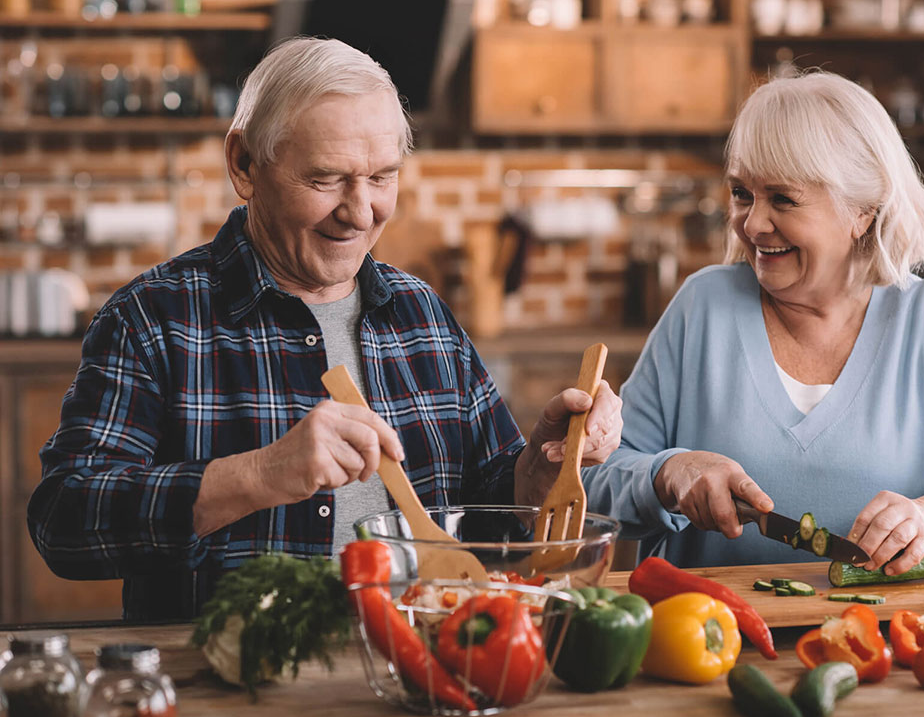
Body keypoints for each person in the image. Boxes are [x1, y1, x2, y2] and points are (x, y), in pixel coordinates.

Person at [27, 37, 622, 621]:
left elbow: (486, 515)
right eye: (325, 179)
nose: (360, 212)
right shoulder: (153, 320)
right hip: (234, 693)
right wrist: (258, 475)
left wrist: (538, 470)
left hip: (415, 679)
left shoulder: (424, 316)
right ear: (244, 164)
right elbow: (64, 522)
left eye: (382, 177)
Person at [583, 70, 924, 575]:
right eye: (743, 194)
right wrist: (667, 473)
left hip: (884, 640)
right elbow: (594, 480)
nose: (752, 223)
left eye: (783, 199)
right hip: (705, 637)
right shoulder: (702, 308)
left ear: (862, 211)